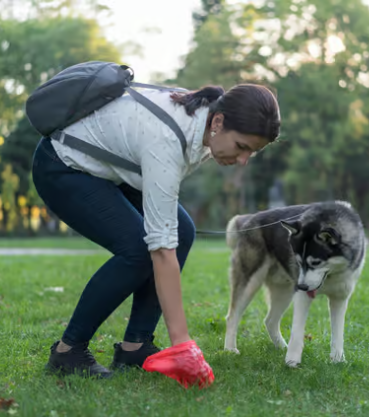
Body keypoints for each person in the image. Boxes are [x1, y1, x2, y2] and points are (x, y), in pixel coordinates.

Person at [31, 82, 281, 383]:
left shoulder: (204, 124)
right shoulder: (167, 139)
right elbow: (161, 250)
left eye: (252, 152)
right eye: (241, 147)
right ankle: (67, 352)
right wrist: (182, 343)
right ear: (218, 122)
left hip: (109, 169)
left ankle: (135, 346)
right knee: (138, 250)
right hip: (63, 165)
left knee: (183, 232)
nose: (243, 160)